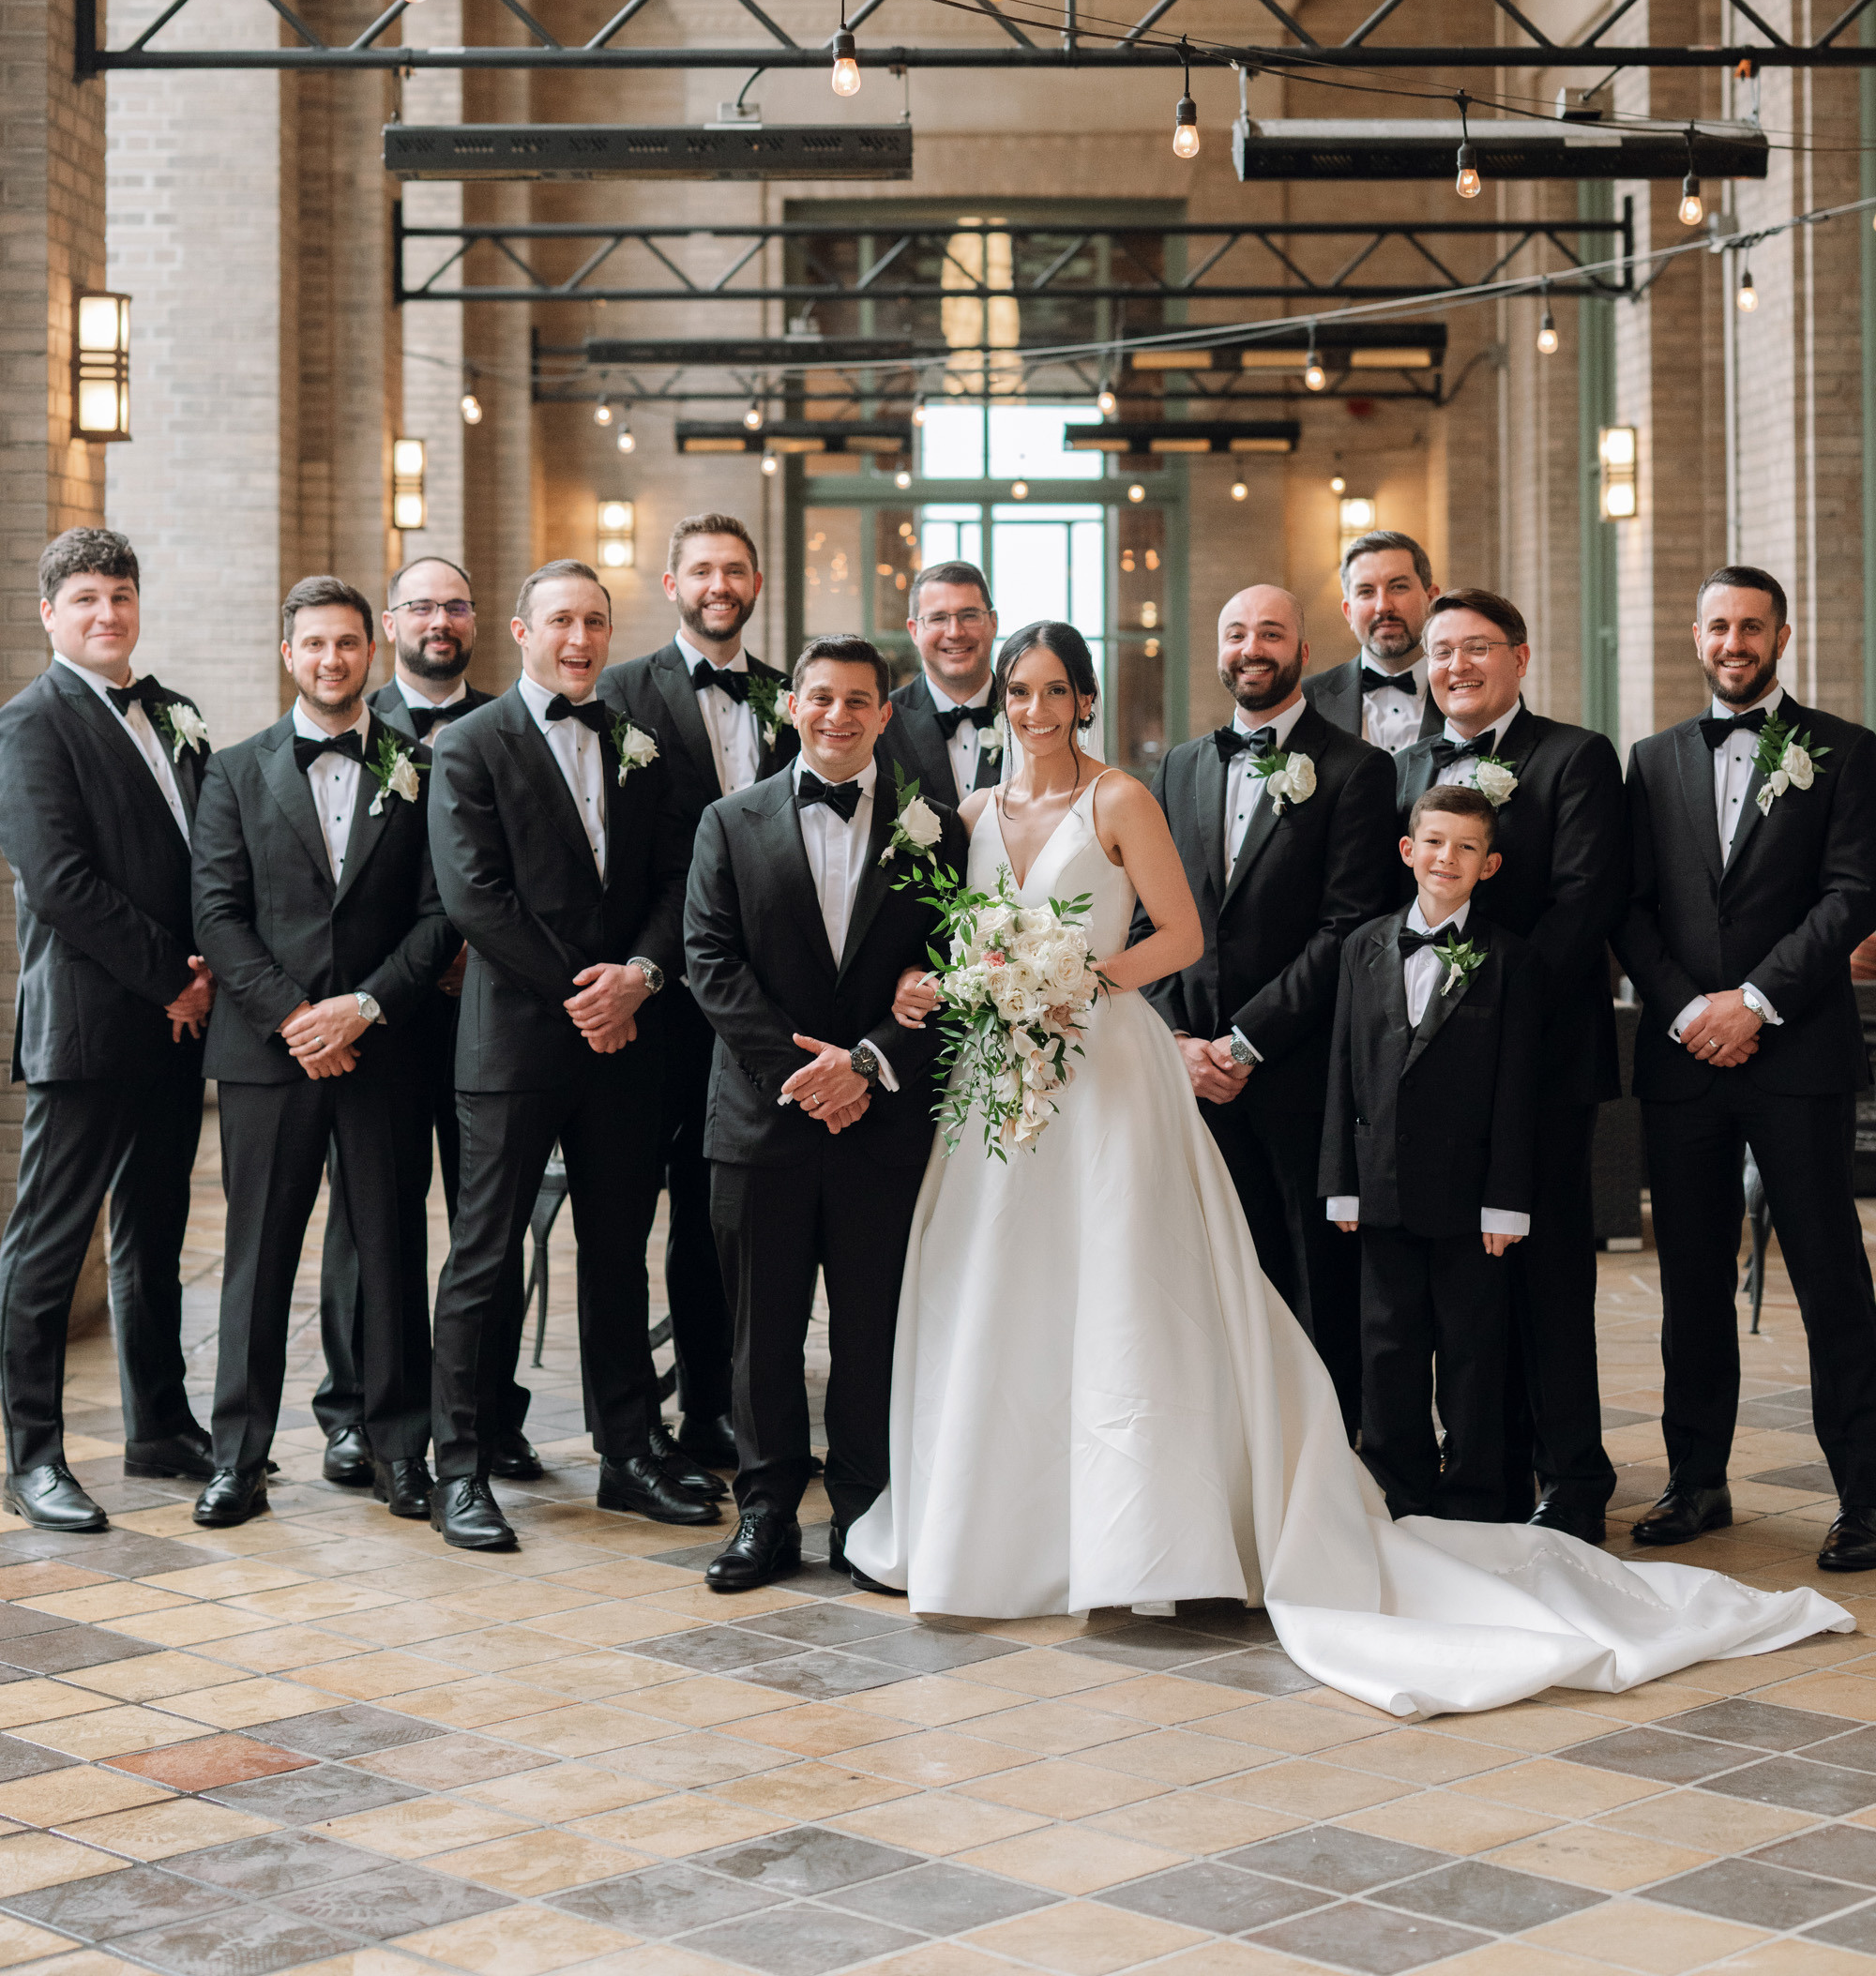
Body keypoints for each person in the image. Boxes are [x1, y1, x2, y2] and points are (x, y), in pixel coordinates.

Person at [849, 617, 1850, 1716]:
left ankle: (1146, 1528)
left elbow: (1177, 935)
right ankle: (995, 1521)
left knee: (1126, 1283)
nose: (1034, 710)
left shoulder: (1121, 796)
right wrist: (938, 984)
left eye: (1053, 690)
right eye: (1017, 692)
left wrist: (1076, 983)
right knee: (1000, 1283)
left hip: (1104, 1062)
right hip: (1002, 1076)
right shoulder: (973, 813)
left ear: (1084, 699)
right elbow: (951, 939)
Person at [683, 634, 965, 1594]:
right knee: (759, 1332)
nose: (837, 715)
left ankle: (863, 1510)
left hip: (882, 1122)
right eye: (820, 697)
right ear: (791, 706)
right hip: (760, 1119)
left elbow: (953, 972)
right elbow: (710, 964)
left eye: (857, 701)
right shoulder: (729, 821)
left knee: (871, 1327)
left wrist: (868, 1066)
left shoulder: (937, 830)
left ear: (885, 714)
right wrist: (809, 1078)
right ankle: (764, 1513)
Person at [425, 559, 696, 1553]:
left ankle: (627, 1455)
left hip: (626, 1040)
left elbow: (677, 876)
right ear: (521, 631)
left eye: (594, 622)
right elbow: (476, 898)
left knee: (619, 1254)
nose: (579, 640)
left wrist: (639, 977)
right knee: (484, 1255)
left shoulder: (638, 740)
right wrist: (589, 998)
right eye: (560, 622)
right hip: (516, 1042)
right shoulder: (470, 744)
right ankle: (459, 1468)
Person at [1618, 566, 1876, 1573]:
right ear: (1695, 637)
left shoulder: (1844, 751)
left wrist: (1755, 1001)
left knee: (1829, 1276)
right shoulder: (1650, 761)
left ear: (1781, 636)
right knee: (1688, 1279)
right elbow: (1630, 906)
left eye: (1751, 627)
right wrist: (1690, 1010)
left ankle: (1865, 1494)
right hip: (1684, 1056)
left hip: (1795, 1051)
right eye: (1718, 626)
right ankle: (1696, 1481)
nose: (1734, 642)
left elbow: (1851, 894)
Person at [189, 577, 452, 1529]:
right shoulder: (233, 770)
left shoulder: (422, 768)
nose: (331, 659)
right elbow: (216, 914)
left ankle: (399, 1452)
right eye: (314, 644)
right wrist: (298, 1018)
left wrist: (365, 1008)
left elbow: (441, 914)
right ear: (287, 654)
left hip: (386, 1049)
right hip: (270, 1055)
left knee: (390, 1251)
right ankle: (238, 1460)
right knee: (257, 1258)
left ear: (370, 652)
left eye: (346, 643)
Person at [1396, 588, 1626, 1542]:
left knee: (1549, 1275)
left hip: (1541, 1064)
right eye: (1440, 651)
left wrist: (1488, 1012)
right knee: (1466, 1281)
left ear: (1519, 659)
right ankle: (1485, 1471)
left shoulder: (1575, 758)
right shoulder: (1405, 766)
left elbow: (1583, 903)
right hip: (1436, 1082)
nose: (1455, 666)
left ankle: (1573, 1478)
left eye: (1476, 648)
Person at [0, 530, 216, 1533]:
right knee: (49, 1246)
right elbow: (60, 884)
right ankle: (34, 1456)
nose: (106, 613)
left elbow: (202, 853)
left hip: (176, 1030)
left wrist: (208, 975)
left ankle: (159, 1427)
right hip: (89, 1027)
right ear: (50, 613)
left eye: (120, 595)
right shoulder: (29, 724)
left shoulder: (172, 715)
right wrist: (174, 978)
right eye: (85, 598)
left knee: (153, 1235)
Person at [1143, 584, 1397, 1428]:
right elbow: (1150, 917)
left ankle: (1327, 1448)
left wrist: (1245, 1043)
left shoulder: (1357, 769)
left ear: (1303, 651)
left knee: (1312, 1274)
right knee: (1211, 1271)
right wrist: (1179, 1040)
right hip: (1191, 1079)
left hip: (1298, 1073)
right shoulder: (1180, 766)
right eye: (1236, 632)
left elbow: (1347, 928)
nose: (1251, 648)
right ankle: (1233, 1439)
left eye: (1270, 633)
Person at [314, 557, 537, 1490]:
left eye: (454, 605)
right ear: (390, 624)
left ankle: (487, 1414)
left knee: (491, 1223)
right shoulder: (351, 727)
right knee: (369, 1222)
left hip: (493, 1012)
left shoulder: (512, 726)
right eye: (420, 607)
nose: (438, 621)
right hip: (383, 1019)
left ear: (477, 621)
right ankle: (357, 1409)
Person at [603, 514, 796, 1479]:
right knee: (636, 1214)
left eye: (735, 570)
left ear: (755, 582)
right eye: (702, 570)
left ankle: (715, 1406)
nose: (720, 585)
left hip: (764, 1002)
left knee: (723, 1211)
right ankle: (629, 1423)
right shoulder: (618, 693)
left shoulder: (788, 696)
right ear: (671, 583)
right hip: (659, 1001)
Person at [1321, 784, 1540, 1524]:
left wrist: (1506, 1201)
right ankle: (1398, 1489)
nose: (1449, 858)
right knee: (1388, 1347)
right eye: (1436, 843)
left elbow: (1516, 1090)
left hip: (1471, 1195)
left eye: (1467, 847)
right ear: (1408, 851)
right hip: (1380, 1186)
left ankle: (1475, 1495)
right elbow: (1343, 1068)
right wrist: (1342, 1182)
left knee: (1473, 1351)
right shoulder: (1362, 947)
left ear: (1490, 865)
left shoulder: (1511, 960)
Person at [876, 562, 1003, 804]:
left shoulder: (1027, 715)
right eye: (938, 618)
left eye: (969, 615)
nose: (955, 632)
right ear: (914, 631)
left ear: (993, 622)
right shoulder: (880, 723)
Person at [1304, 531, 1440, 754]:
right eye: (1366, 592)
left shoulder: (1469, 693)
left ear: (1431, 598)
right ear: (1348, 612)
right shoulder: (1305, 702)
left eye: (1398, 587)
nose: (1383, 606)